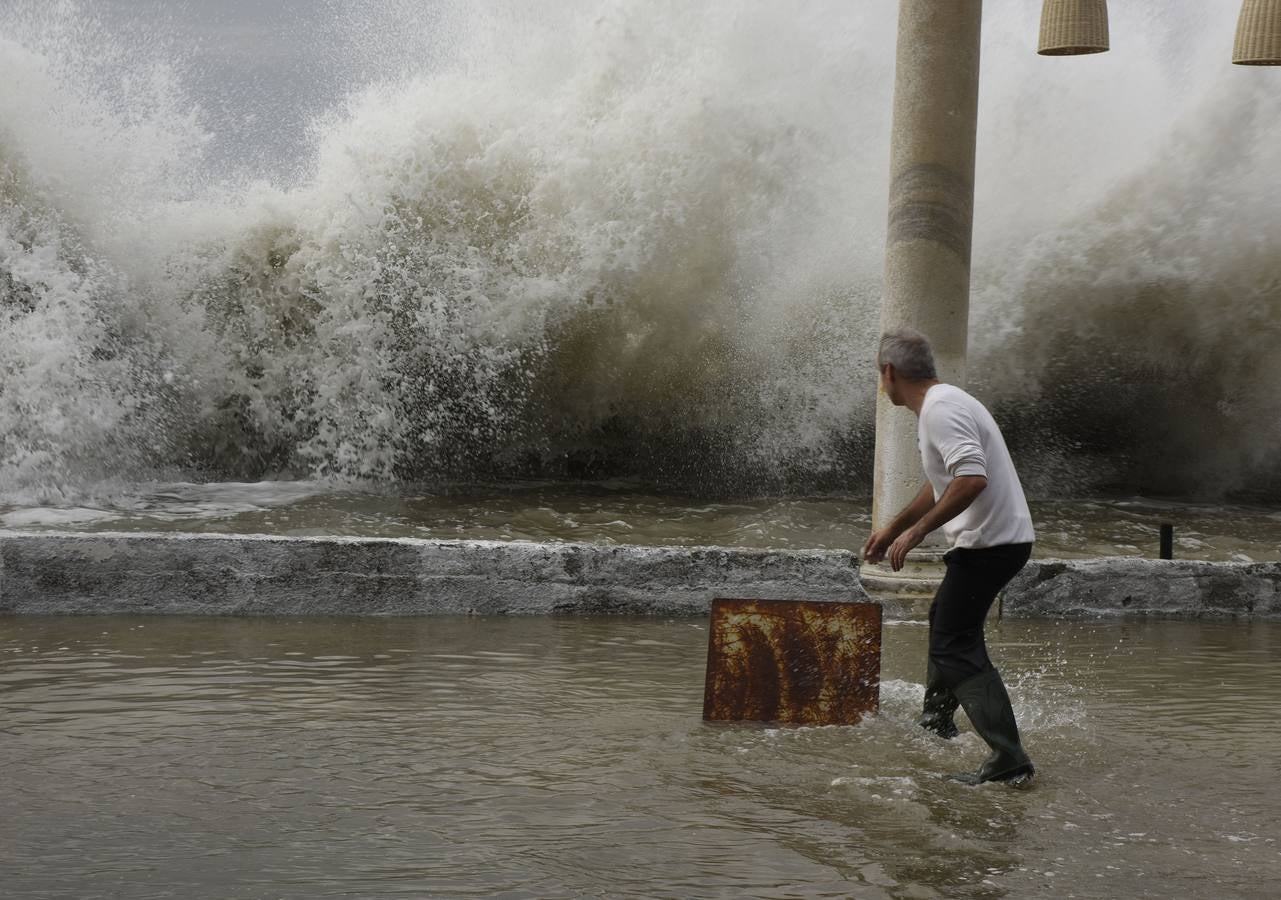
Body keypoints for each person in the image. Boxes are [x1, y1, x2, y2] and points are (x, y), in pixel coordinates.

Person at [862, 327, 1036, 785]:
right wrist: (894, 528)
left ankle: (1008, 757)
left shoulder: (941, 409)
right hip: (996, 541)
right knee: (945, 620)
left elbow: (972, 477)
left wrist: (919, 532)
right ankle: (936, 721)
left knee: (954, 643)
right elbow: (945, 478)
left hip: (991, 543)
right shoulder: (946, 403)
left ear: (889, 372)